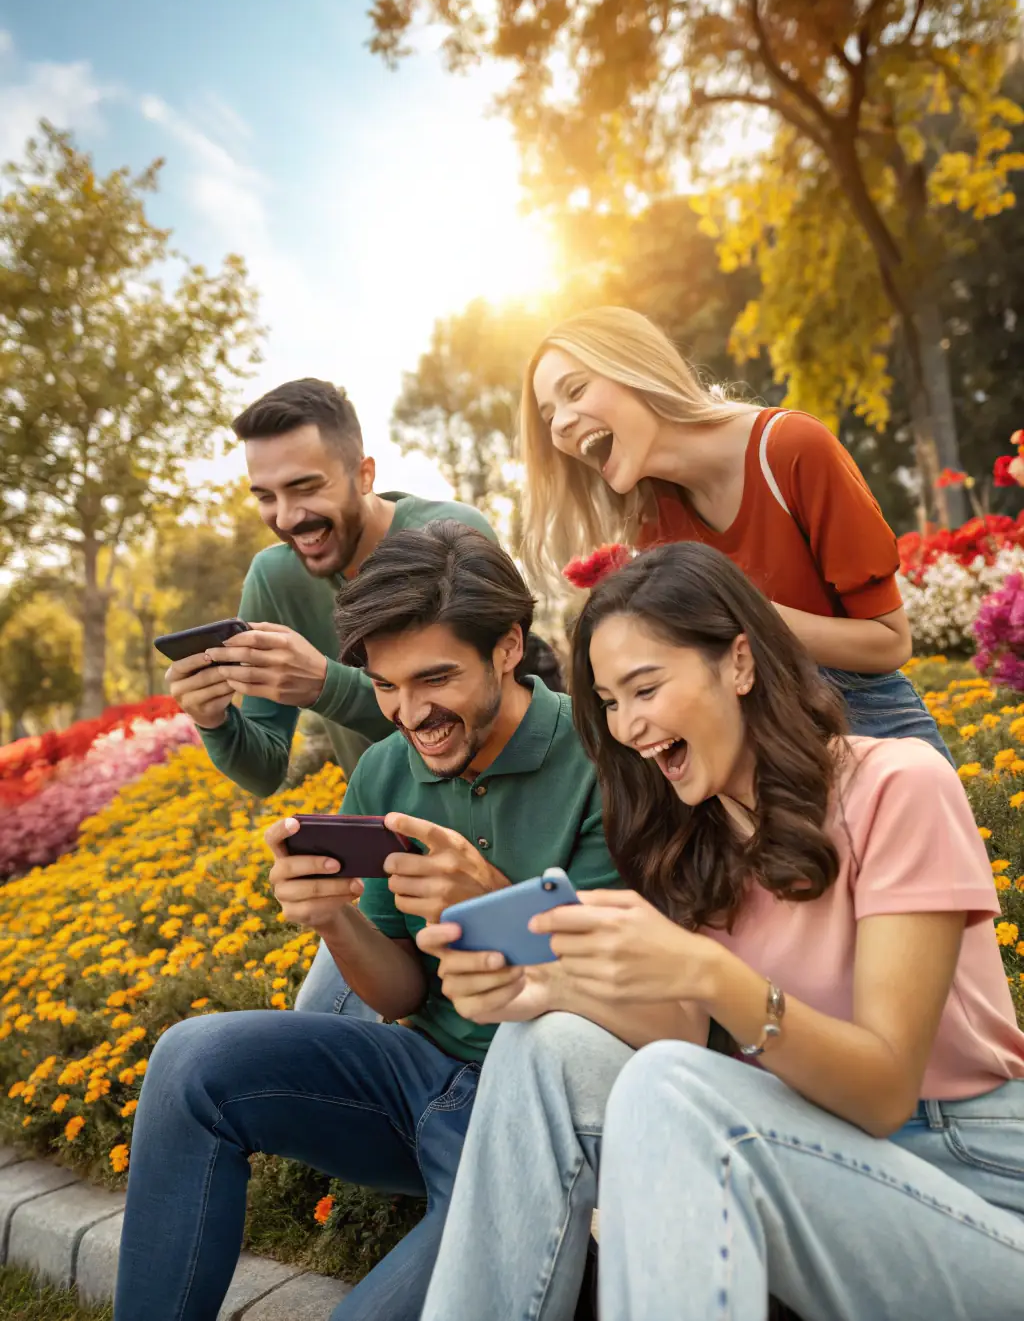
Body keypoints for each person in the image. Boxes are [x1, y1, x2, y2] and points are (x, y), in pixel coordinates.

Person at [418, 542, 1024, 1321]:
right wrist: (539, 986)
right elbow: (677, 1030)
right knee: (542, 1046)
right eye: (607, 700)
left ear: (739, 663)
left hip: (974, 1186)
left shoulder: (898, 784)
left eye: (645, 687)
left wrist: (707, 972)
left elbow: (881, 1093)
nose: (628, 725)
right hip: (806, 1150)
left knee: (671, 1088)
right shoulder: (691, 841)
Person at [113, 521, 623, 1321]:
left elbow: (616, 989)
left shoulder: (604, 759)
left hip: (531, 1115)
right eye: (385, 685)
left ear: (508, 646)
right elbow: (400, 989)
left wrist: (486, 900)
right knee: (190, 1059)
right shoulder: (387, 766)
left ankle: (573, 1264)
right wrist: (336, 921)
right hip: (421, 1084)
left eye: (434, 678)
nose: (410, 713)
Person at [518, 306, 953, 764]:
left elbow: (891, 643)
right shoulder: (652, 521)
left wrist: (746, 612)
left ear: (637, 369)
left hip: (873, 723)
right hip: (762, 744)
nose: (561, 425)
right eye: (549, 415)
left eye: (576, 390)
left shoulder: (790, 450)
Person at [165, 377, 498, 795]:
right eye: (266, 497)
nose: (285, 518)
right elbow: (265, 771)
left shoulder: (452, 537)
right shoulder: (275, 578)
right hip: (391, 828)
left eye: (305, 488)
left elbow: (492, 709)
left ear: (364, 475)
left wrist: (326, 685)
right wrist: (213, 720)